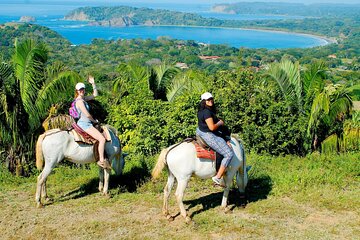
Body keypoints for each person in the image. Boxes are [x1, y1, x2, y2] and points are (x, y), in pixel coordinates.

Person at [196, 92, 233, 187]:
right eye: (208, 100)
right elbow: (212, 127)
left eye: (211, 98)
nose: (210, 101)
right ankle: (218, 177)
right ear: (204, 101)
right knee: (229, 154)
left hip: (200, 131)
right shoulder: (207, 112)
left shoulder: (203, 110)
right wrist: (220, 123)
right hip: (208, 134)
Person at [74, 76, 111, 170]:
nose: (82, 90)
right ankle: (101, 160)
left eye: (83, 89)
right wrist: (95, 121)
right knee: (102, 139)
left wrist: (93, 83)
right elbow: (87, 115)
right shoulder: (79, 102)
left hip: (86, 123)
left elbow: (95, 95)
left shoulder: (83, 99)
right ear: (77, 91)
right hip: (85, 124)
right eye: (80, 89)